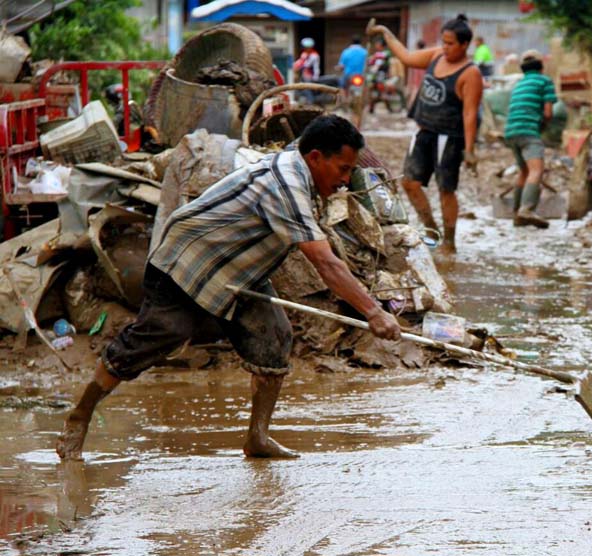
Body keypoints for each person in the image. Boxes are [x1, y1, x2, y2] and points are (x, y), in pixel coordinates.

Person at [56, 115, 402, 462]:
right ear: (315, 157)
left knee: (275, 338)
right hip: (186, 261)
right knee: (160, 334)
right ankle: (79, 417)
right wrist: (372, 311)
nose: (345, 180)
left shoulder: (302, 174)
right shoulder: (285, 185)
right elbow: (325, 263)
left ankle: (258, 438)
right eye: (342, 169)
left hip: (237, 273)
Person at [369, 15, 483, 254]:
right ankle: (431, 230)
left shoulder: (470, 73)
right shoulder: (435, 56)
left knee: (445, 189)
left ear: (464, 45)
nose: (445, 47)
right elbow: (407, 57)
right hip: (424, 130)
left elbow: (470, 114)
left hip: (450, 137)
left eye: (451, 43)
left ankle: (450, 243)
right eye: (444, 42)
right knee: (409, 183)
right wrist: (385, 33)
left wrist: (470, 151)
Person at [504, 49, 556, 229]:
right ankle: (527, 209)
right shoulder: (545, 81)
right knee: (536, 170)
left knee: (524, 171)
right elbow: (548, 113)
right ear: (542, 67)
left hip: (511, 132)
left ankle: (517, 214)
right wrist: (543, 127)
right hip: (528, 131)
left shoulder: (519, 84)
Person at [293, 37, 321, 103]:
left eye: (306, 47)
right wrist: (295, 64)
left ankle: (311, 101)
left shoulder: (314, 55)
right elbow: (301, 61)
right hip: (305, 75)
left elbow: (307, 65)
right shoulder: (304, 54)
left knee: (307, 89)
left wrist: (298, 66)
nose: (304, 48)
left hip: (312, 76)